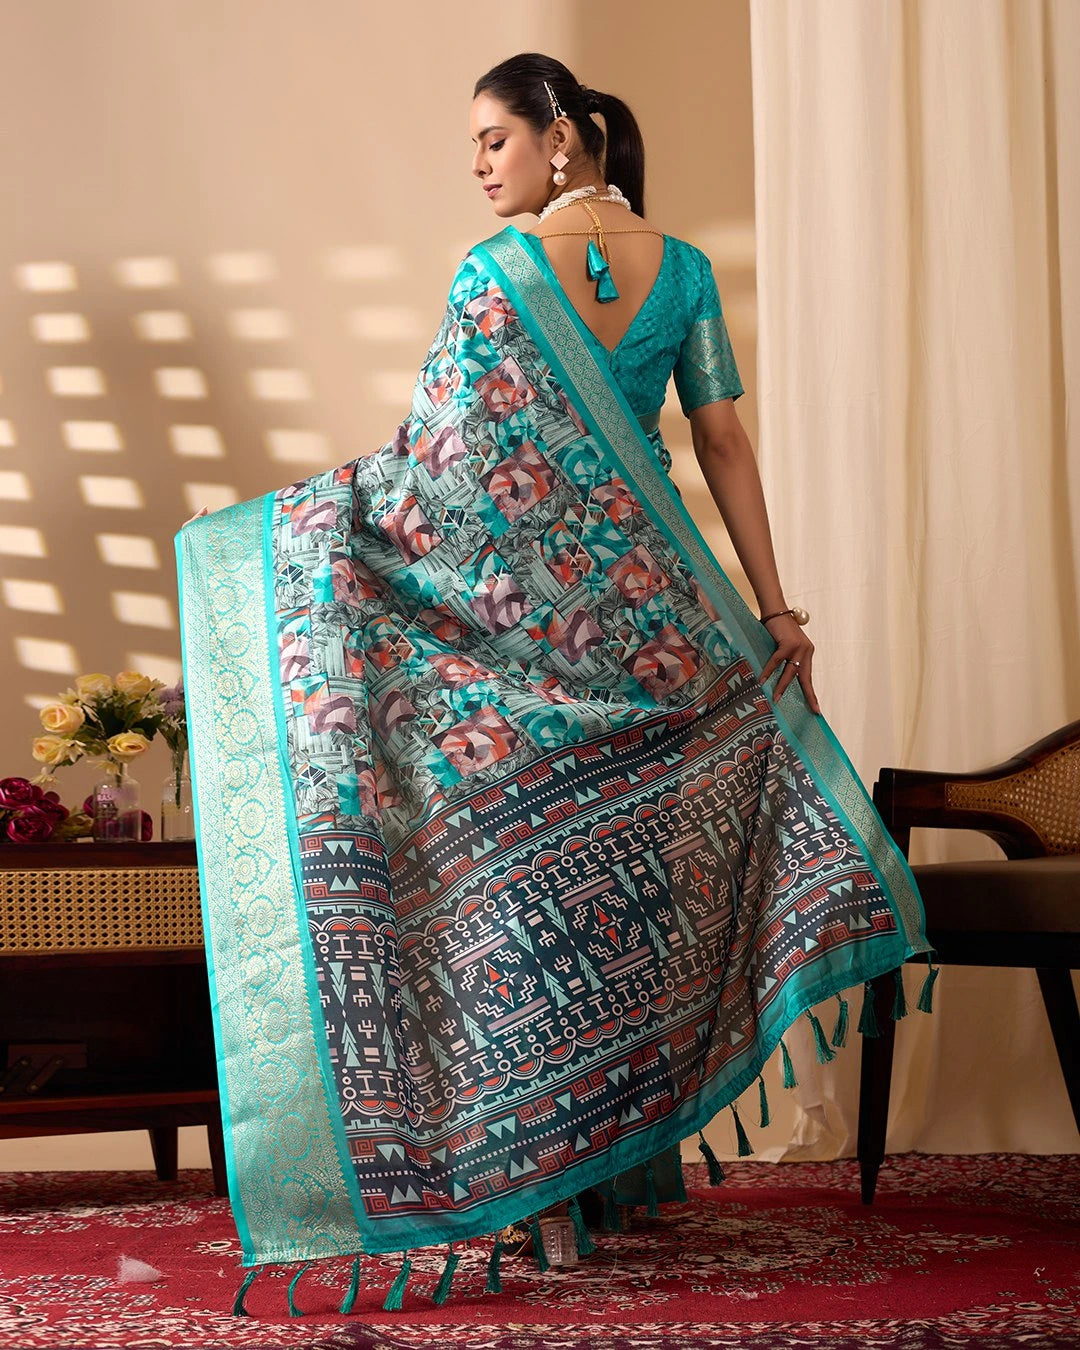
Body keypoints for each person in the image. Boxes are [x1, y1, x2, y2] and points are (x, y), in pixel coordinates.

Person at [177, 52, 932, 1317]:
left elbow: (440, 469)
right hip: (653, 635)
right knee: (622, 904)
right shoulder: (683, 271)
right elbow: (724, 444)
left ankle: (545, 1202)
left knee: (511, 880)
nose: (480, 167)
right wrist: (773, 609)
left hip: (520, 636)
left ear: (561, 140)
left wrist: (295, 535)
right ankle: (588, 1186)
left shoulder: (497, 274)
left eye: (491, 140)